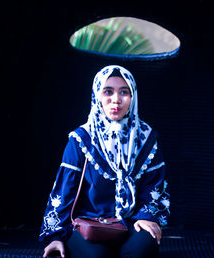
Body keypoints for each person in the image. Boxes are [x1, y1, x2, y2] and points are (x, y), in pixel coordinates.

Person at [39, 65, 170, 258]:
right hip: (88, 225)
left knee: (141, 249)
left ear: (133, 97)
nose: (116, 99)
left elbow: (155, 187)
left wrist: (146, 217)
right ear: (97, 96)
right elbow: (64, 190)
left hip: (131, 224)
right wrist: (55, 236)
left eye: (124, 92)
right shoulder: (81, 139)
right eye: (108, 91)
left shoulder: (146, 138)